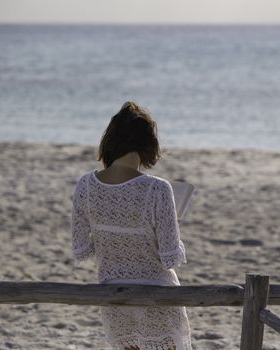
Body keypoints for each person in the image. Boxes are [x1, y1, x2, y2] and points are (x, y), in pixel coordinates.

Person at [70, 101, 191, 350]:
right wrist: (170, 226)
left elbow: (82, 248)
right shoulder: (157, 188)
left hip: (113, 294)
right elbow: (169, 258)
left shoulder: (85, 185)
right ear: (148, 144)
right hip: (156, 294)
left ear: (110, 142)